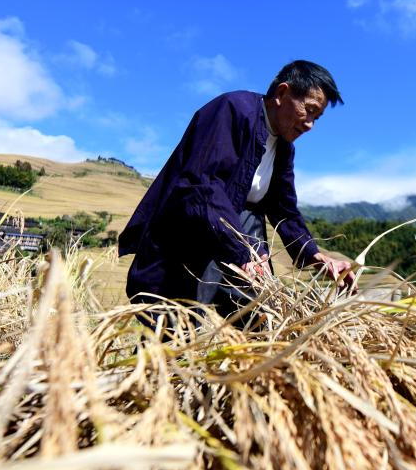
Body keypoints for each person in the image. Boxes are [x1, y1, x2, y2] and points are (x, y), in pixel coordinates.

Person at [118, 60, 355, 320]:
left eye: (316, 117)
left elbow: (283, 208)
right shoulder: (233, 110)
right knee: (172, 331)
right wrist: (244, 254)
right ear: (282, 93)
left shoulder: (284, 148)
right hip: (187, 237)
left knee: (262, 317)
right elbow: (203, 186)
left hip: (238, 238)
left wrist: (316, 257)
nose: (310, 124)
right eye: (308, 110)